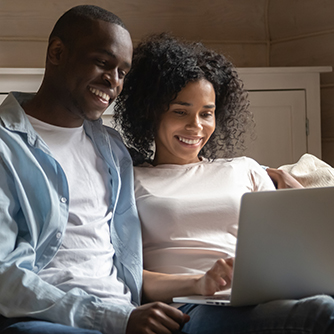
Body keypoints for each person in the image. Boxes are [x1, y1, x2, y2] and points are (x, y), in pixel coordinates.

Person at [113, 33, 334, 333]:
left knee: (321, 303)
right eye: (181, 112)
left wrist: (302, 203)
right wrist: (198, 282)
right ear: (151, 112)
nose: (196, 126)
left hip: (264, 298)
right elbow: (126, 275)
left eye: (207, 113)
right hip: (189, 307)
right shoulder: (129, 180)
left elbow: (289, 249)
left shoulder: (244, 169)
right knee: (321, 312)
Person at [0, 6, 189, 334]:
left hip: (128, 312)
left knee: (302, 314)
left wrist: (264, 174)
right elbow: (4, 277)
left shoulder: (113, 149)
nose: (113, 82)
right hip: (46, 321)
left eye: (123, 72)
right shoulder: (5, 145)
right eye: (103, 63)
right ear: (57, 53)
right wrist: (116, 320)